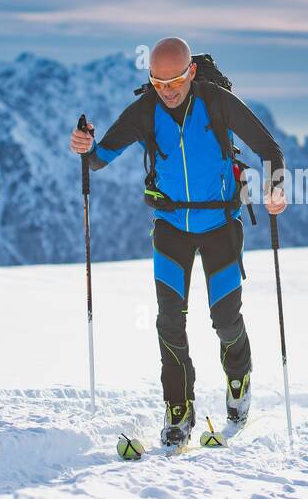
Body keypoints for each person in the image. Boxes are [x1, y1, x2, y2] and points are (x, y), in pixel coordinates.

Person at [70, 37, 286, 446]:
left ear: (190, 73)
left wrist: (276, 189)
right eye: (157, 83)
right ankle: (178, 410)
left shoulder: (218, 101)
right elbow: (100, 158)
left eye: (174, 82)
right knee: (169, 320)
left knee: (225, 318)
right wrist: (85, 146)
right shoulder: (145, 110)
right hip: (170, 226)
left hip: (221, 223)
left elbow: (267, 148)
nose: (166, 92)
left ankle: (238, 381)